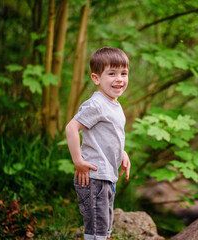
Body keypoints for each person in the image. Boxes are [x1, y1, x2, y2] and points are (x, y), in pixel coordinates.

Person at [65, 47, 131, 240]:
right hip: (93, 175)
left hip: (107, 176)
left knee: (104, 226)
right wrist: (78, 161)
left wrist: (122, 154)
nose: (119, 79)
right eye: (112, 74)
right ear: (96, 78)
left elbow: (109, 135)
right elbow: (71, 129)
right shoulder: (96, 104)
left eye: (124, 73)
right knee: (97, 230)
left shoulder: (114, 104)